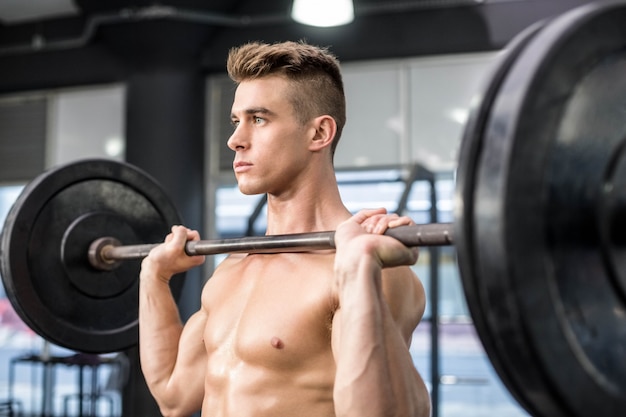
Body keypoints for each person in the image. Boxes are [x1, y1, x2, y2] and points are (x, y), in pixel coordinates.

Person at [139, 40, 431, 417]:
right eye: (236, 121)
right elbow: (173, 397)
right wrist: (154, 277)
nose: (235, 140)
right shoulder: (233, 268)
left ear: (318, 134)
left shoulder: (366, 266)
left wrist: (359, 272)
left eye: (258, 119)